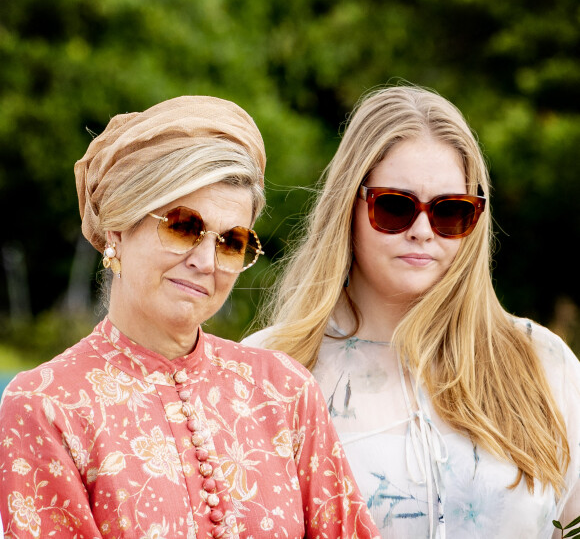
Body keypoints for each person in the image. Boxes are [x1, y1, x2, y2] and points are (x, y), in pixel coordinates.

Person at [0, 96, 380, 539]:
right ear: (119, 227)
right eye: (183, 226)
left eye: (231, 242)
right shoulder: (47, 406)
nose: (206, 260)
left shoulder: (284, 391)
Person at [244, 85, 580, 538]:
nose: (423, 231)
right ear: (349, 205)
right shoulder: (266, 372)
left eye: (451, 212)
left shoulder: (544, 363)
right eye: (396, 207)